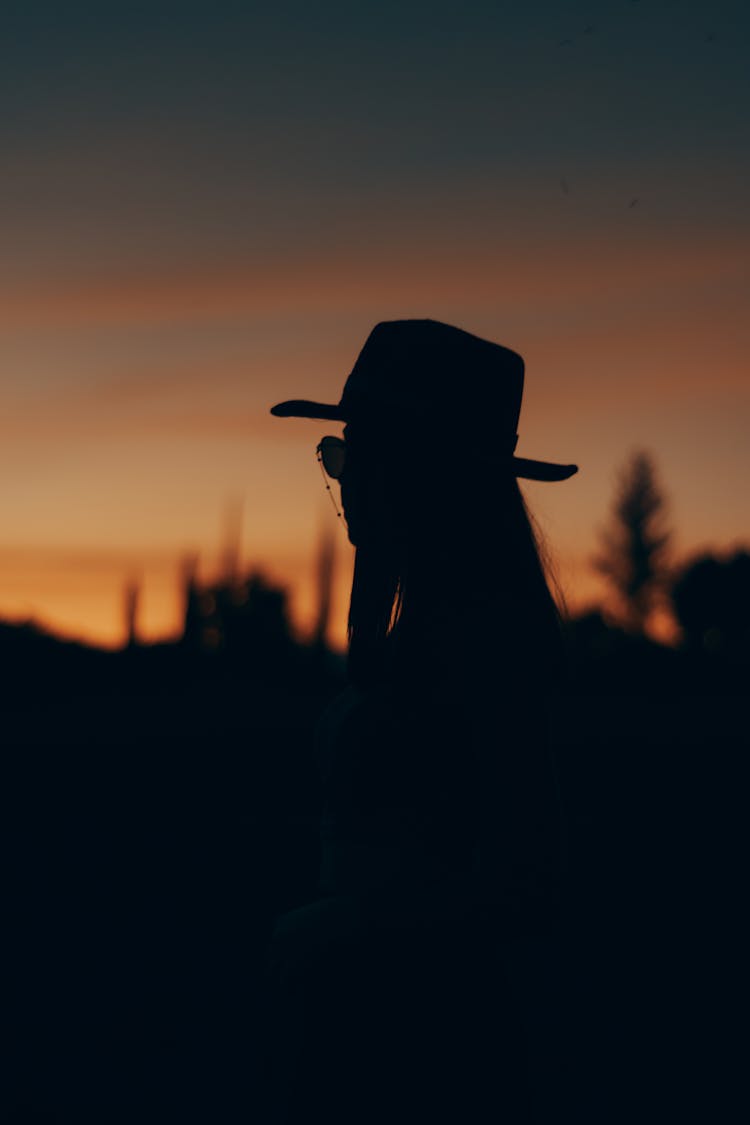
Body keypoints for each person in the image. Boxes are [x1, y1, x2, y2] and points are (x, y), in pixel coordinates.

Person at [263, 319, 578, 1123]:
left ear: (424, 476)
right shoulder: (430, 625)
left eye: (358, 456)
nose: (345, 478)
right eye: (338, 455)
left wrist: (336, 933)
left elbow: (526, 880)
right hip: (375, 1020)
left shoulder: (486, 639)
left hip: (422, 1044)